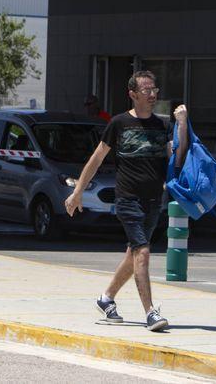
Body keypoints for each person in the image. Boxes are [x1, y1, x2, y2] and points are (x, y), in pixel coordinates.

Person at [65, 70, 188, 332]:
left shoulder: (162, 125)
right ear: (132, 94)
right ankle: (151, 312)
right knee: (142, 252)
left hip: (154, 200)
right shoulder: (119, 124)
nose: (153, 94)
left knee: (133, 254)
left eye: (155, 89)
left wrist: (182, 125)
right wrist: (77, 192)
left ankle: (106, 298)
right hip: (127, 199)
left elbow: (176, 159)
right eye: (146, 90)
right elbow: (97, 158)